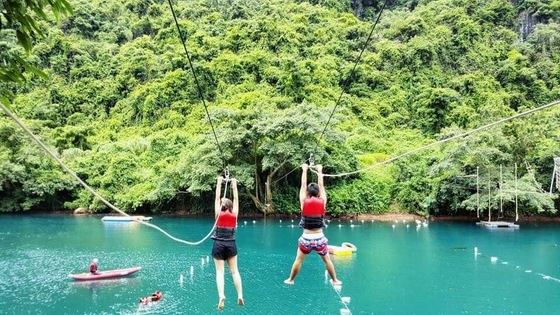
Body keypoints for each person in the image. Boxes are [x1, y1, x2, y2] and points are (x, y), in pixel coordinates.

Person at [284, 164, 342, 285]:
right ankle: (335, 280)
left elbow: (303, 185)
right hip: (320, 238)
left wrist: (304, 170)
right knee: (327, 261)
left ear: (308, 194)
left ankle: (291, 279)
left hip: (306, 238)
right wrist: (320, 170)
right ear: (319, 194)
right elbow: (321, 186)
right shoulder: (323, 201)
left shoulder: (303, 201)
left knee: (298, 261)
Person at [212, 176, 244, 310]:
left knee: (220, 272)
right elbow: (236, 200)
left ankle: (221, 296)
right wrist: (234, 185)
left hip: (218, 244)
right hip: (231, 244)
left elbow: (217, 197)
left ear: (221, 206)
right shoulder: (234, 214)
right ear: (230, 207)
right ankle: (240, 294)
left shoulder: (218, 214)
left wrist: (219, 182)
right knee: (235, 271)